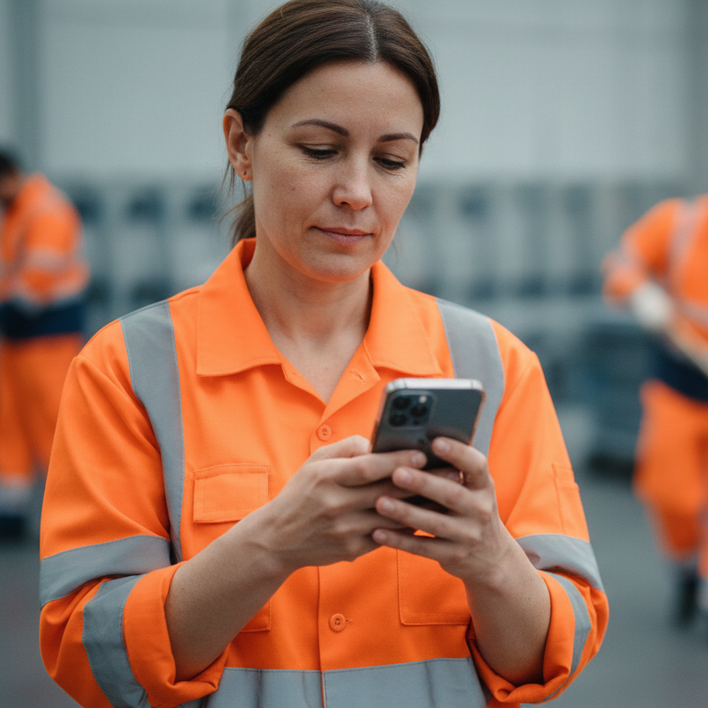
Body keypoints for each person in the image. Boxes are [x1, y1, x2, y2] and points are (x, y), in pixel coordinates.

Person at [39, 2, 608, 706]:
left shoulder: (495, 365)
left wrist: (491, 560)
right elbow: (88, 654)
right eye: (319, 150)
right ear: (240, 145)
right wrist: (271, 544)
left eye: (392, 160)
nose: (357, 193)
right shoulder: (127, 370)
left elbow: (550, 658)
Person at [603, 195, 708, 625]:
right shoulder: (680, 223)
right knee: (670, 492)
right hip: (678, 383)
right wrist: (641, 293)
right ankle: (685, 572)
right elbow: (620, 266)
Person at [0, 150, 89, 539]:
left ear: (10, 175)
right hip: (18, 334)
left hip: (47, 333)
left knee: (54, 421)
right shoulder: (17, 209)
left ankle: (76, 513)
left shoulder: (45, 209)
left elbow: (39, 273)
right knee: (10, 419)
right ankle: (12, 508)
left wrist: (10, 309)